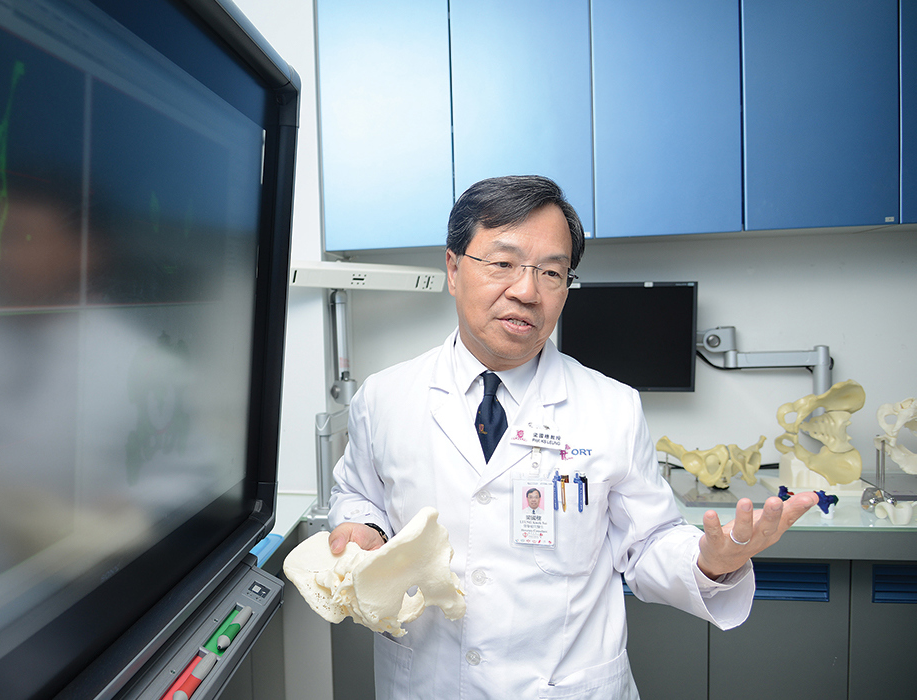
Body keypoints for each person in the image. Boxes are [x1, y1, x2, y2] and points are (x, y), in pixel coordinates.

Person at [326, 175, 817, 699]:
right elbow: (358, 494)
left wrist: (711, 563)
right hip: (428, 681)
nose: (526, 290)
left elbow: (647, 543)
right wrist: (363, 527)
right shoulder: (384, 397)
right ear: (453, 268)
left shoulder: (612, 407)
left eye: (552, 272)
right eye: (502, 263)